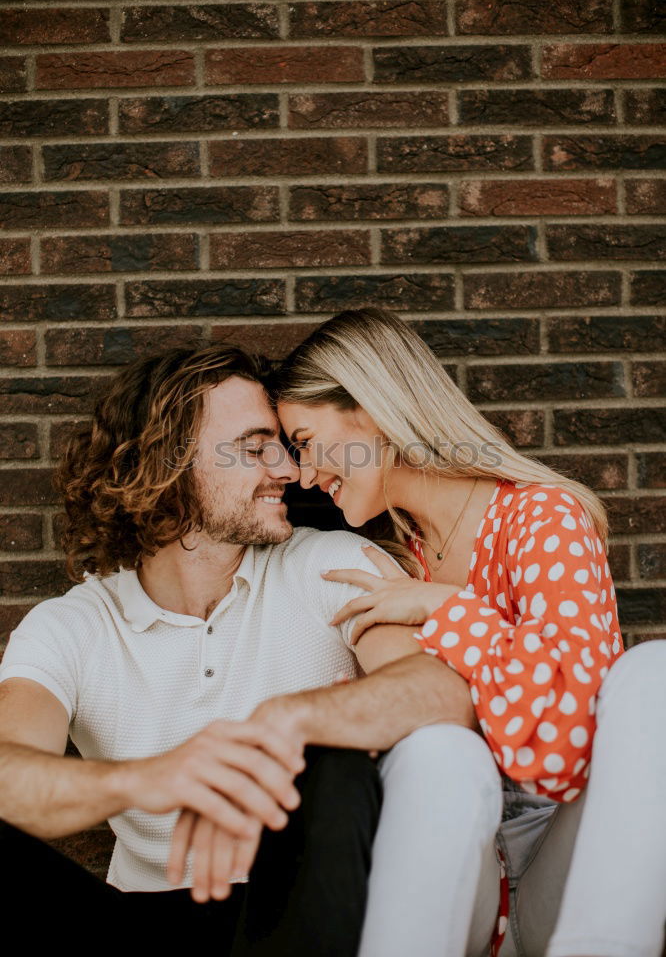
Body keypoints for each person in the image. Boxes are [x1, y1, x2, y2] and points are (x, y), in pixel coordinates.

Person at [0, 343, 482, 954]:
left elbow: (443, 690)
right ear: (165, 466)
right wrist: (149, 780)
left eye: (283, 445)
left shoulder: (327, 566)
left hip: (295, 910)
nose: (289, 469)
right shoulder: (72, 626)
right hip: (142, 921)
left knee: (333, 764)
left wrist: (289, 721)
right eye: (256, 449)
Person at [273, 307, 666, 957]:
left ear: (369, 410)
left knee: (655, 676)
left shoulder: (541, 520)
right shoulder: (391, 559)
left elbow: (566, 754)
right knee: (437, 758)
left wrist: (445, 611)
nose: (307, 474)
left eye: (307, 442)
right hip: (462, 876)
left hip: (563, 867)